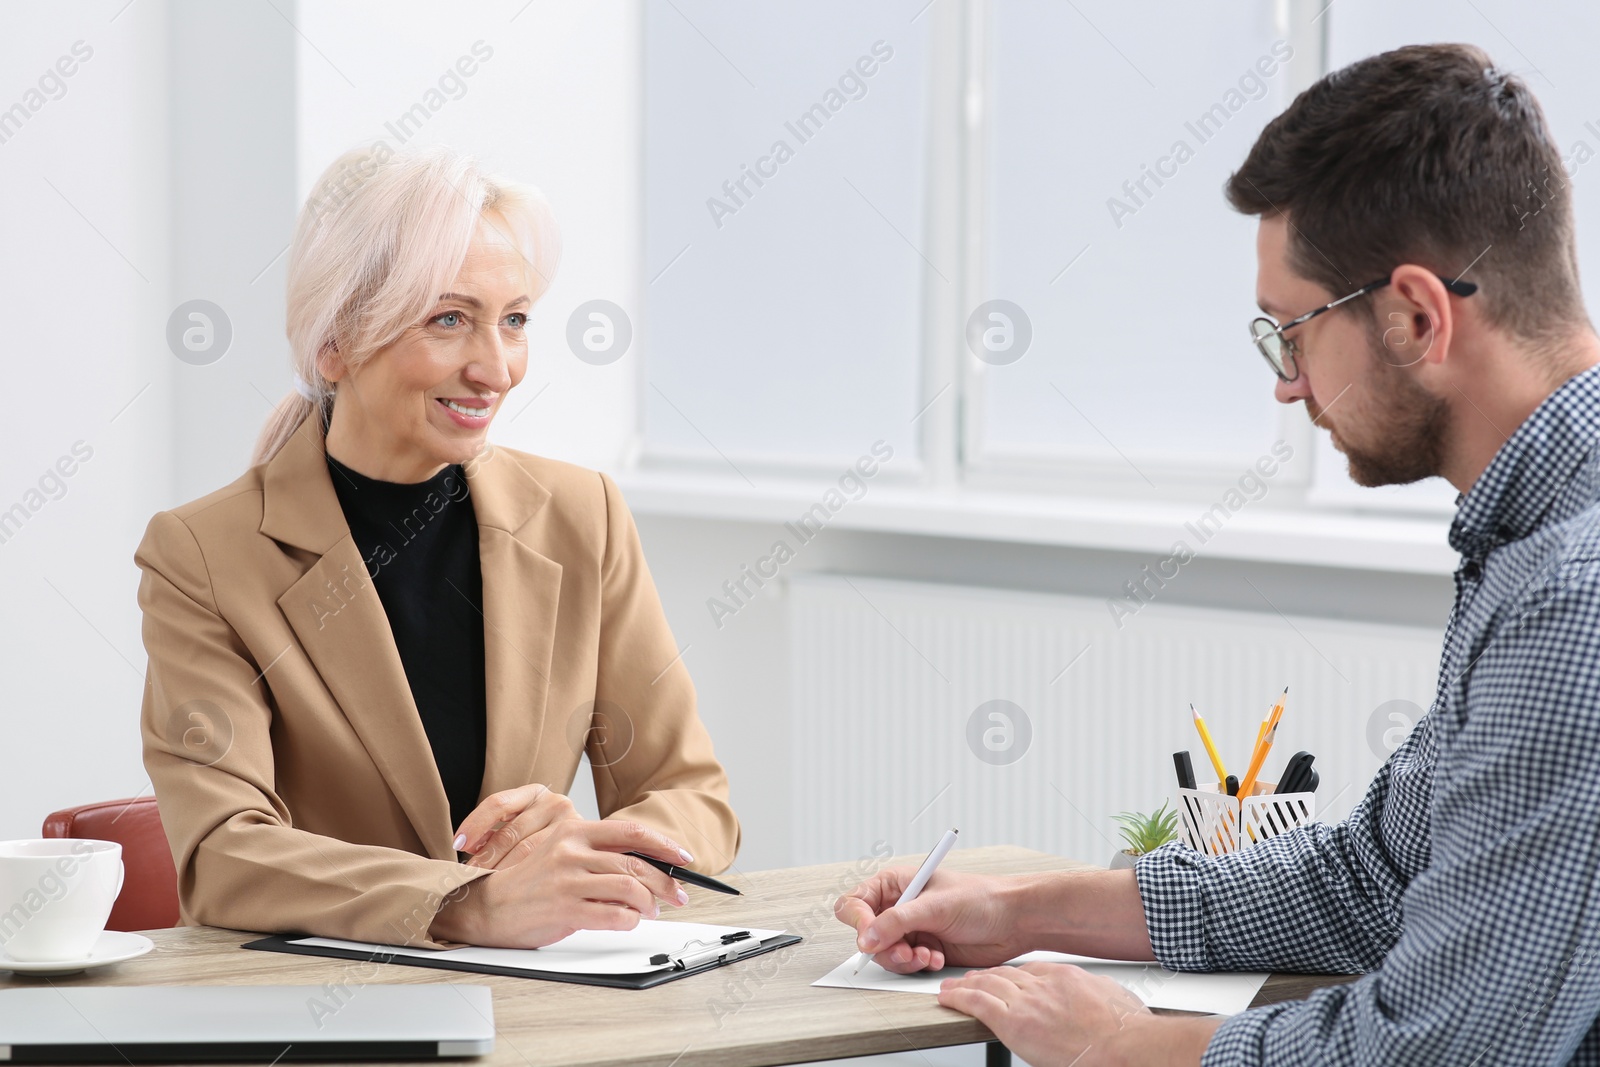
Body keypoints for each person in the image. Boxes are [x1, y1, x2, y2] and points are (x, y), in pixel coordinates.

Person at [837, 43, 1600, 1065]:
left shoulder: (1569, 594)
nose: (1286, 384)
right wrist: (1019, 908)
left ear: (1416, 315)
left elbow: (1447, 1048)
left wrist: (1129, 1042)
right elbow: (1374, 879)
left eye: (1293, 331)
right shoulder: (1527, 537)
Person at [136, 145, 739, 950]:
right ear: (334, 343)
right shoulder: (203, 554)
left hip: (538, 999)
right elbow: (223, 853)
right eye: (449, 319)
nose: (496, 368)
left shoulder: (581, 513)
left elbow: (689, 793)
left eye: (515, 320)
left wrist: (587, 851)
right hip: (314, 1011)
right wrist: (467, 900)